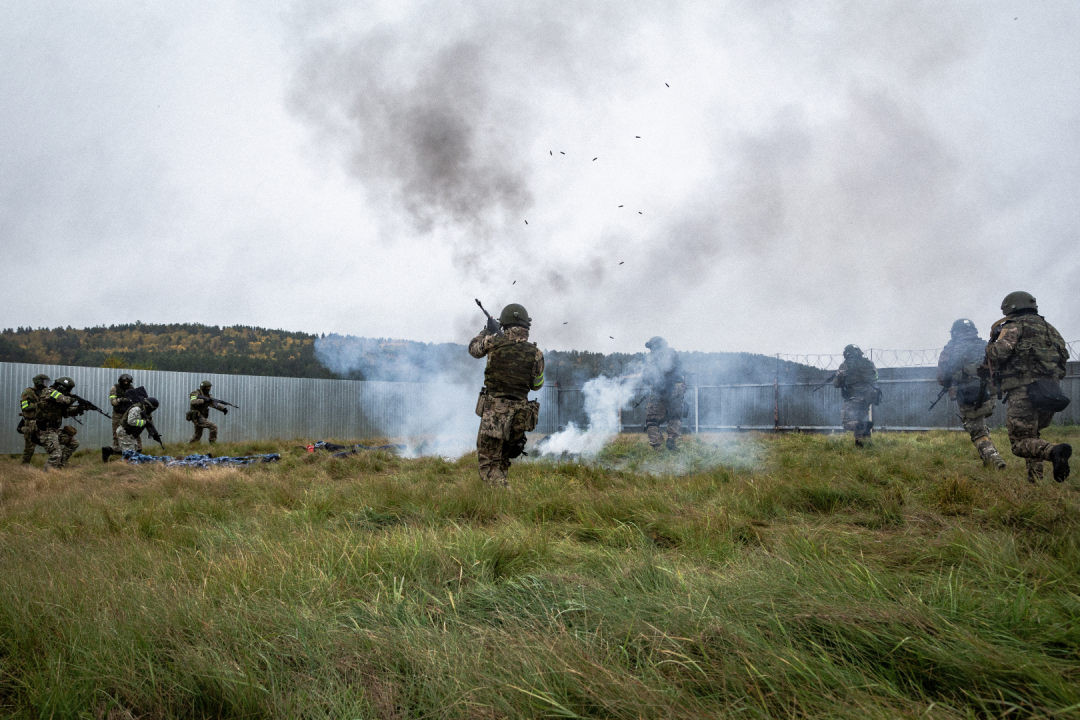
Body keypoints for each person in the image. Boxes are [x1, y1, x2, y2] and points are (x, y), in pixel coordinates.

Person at [984, 291, 1071, 483]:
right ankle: (1035, 482)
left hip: (1024, 390)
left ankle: (1054, 451)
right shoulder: (1050, 329)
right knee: (1033, 436)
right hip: (1050, 391)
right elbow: (1063, 359)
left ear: (1010, 307)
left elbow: (998, 353)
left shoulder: (1014, 326)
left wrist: (989, 345)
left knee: (1020, 443)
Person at [469, 303, 545, 488]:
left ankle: (505, 495)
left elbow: (473, 349)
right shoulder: (536, 354)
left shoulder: (493, 343)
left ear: (504, 324)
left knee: (488, 462)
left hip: (495, 412)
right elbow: (537, 385)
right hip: (520, 415)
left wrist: (487, 330)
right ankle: (501, 508)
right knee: (502, 458)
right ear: (526, 327)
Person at [936, 319, 1006, 469]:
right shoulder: (986, 346)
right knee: (979, 426)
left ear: (954, 332)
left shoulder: (950, 349)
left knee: (976, 431)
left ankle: (995, 461)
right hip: (991, 393)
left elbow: (941, 378)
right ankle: (988, 460)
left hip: (969, 395)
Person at [642, 336, 686, 451]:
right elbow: (681, 371)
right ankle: (671, 438)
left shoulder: (651, 358)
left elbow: (645, 378)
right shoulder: (674, 354)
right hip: (676, 387)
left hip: (659, 389)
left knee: (652, 418)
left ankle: (657, 446)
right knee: (675, 414)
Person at [833, 345, 880, 447]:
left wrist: (840, 378)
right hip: (870, 396)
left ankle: (863, 426)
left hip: (854, 396)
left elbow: (836, 384)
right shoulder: (869, 363)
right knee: (860, 418)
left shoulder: (845, 365)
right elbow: (875, 377)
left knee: (847, 422)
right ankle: (862, 444)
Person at [34, 376, 84, 469]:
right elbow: (66, 400)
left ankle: (60, 466)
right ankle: (47, 475)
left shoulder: (56, 400)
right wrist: (75, 398)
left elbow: (66, 412)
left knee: (73, 442)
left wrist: (83, 407)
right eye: (68, 389)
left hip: (54, 430)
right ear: (62, 387)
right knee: (56, 453)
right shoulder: (48, 392)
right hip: (44, 431)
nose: (69, 392)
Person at [18, 373, 49, 464]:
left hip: (40, 422)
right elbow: (25, 407)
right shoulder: (27, 392)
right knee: (30, 445)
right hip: (30, 422)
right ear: (38, 382)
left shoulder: (43, 392)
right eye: (44, 382)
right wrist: (39, 405)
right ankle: (24, 465)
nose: (45, 385)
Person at [108, 373, 135, 454]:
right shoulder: (114, 388)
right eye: (124, 381)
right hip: (118, 414)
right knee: (116, 433)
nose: (126, 383)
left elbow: (136, 400)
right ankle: (116, 451)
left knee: (130, 433)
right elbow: (113, 402)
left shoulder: (132, 388)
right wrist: (121, 400)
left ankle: (130, 450)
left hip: (128, 414)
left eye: (127, 381)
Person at [188, 380, 222, 444]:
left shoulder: (208, 396)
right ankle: (212, 443)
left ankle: (190, 446)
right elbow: (193, 401)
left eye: (209, 387)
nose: (208, 389)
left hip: (202, 416)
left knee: (197, 435)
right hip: (197, 416)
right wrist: (203, 401)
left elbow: (213, 404)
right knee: (213, 427)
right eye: (207, 388)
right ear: (203, 387)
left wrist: (223, 409)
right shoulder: (195, 393)